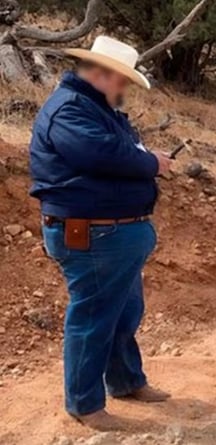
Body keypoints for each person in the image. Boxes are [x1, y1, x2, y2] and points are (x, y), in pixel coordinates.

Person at [29, 36, 173, 430]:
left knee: (122, 312)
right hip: (93, 235)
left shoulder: (91, 108)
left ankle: (125, 381)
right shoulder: (70, 110)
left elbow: (116, 151)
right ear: (100, 73)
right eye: (121, 80)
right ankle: (84, 403)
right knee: (94, 318)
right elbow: (101, 154)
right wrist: (150, 164)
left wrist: (143, 161)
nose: (124, 88)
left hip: (110, 234)